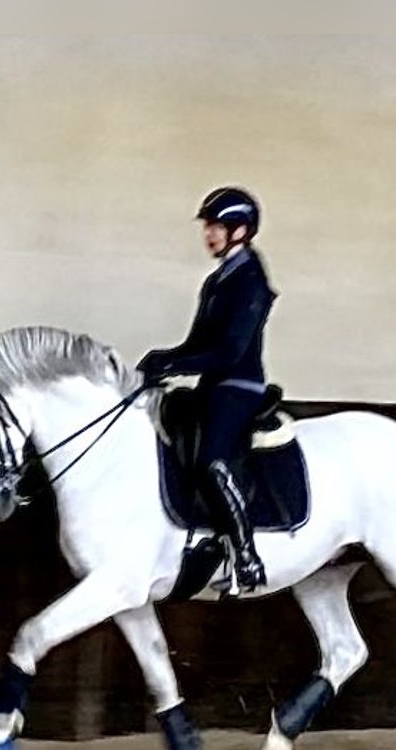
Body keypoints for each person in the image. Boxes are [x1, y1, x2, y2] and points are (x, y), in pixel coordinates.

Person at [136, 186, 278, 590]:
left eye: (217, 227)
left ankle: (246, 554)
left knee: (211, 462)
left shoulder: (251, 280)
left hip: (239, 385)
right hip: (211, 385)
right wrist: (163, 358)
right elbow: (198, 344)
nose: (209, 235)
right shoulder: (216, 281)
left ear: (241, 231)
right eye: (208, 227)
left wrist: (179, 364)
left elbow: (230, 351)